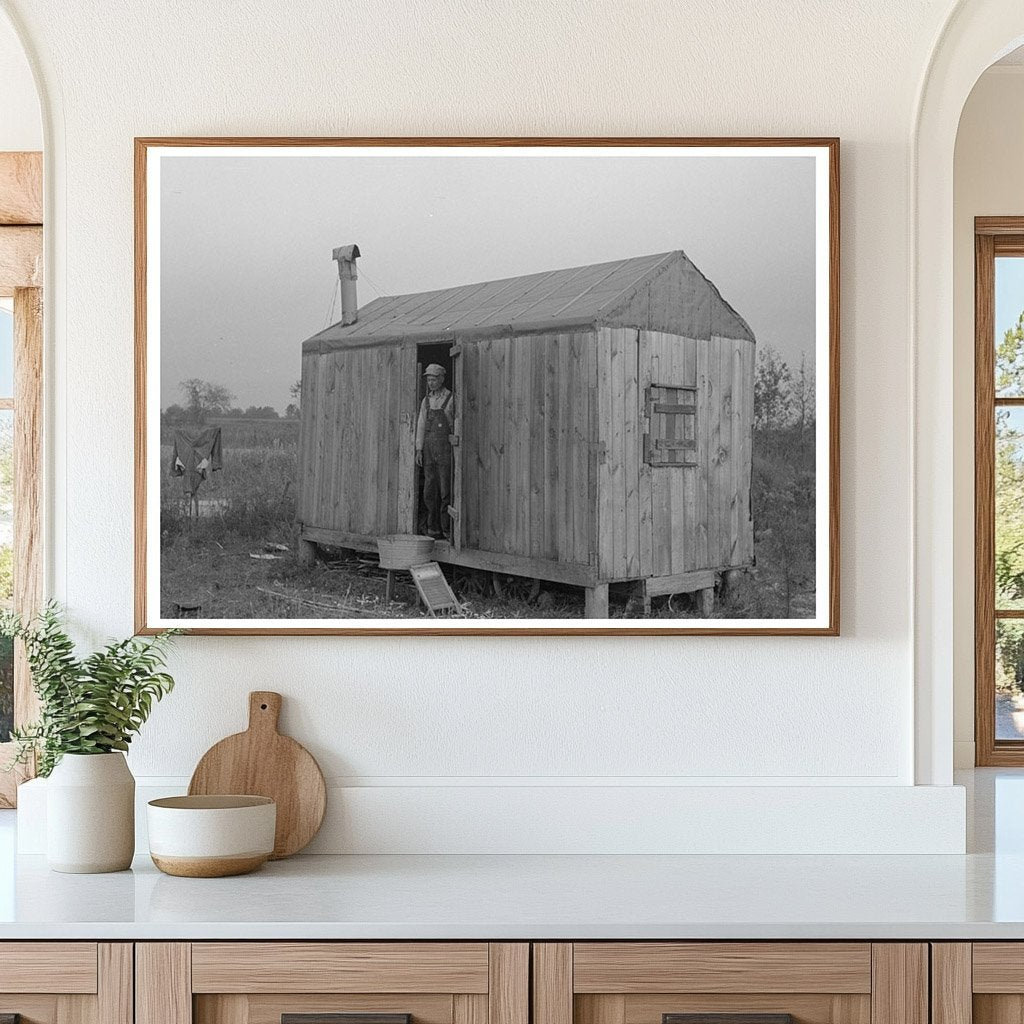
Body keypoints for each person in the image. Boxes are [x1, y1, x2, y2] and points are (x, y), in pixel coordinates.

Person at [415, 363, 455, 539]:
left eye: (434, 379)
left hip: (446, 451)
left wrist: (456, 447)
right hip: (429, 452)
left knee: (446, 489)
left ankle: (447, 528)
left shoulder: (451, 399)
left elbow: (455, 425)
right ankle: (433, 528)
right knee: (430, 490)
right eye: (428, 380)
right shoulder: (426, 401)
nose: (430, 383)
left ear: (442, 379)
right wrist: (419, 449)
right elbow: (421, 426)